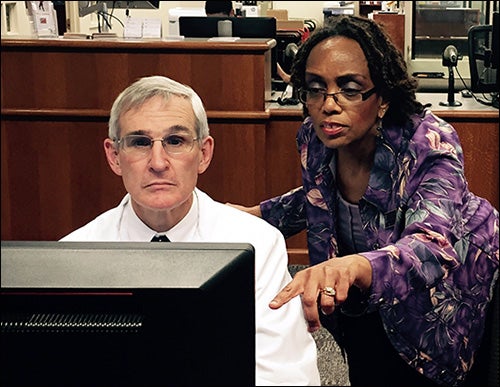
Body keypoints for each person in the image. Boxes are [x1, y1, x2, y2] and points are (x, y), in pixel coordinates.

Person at [227, 15, 499, 387]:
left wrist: (350, 267)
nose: (328, 105)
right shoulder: (314, 136)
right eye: (315, 88)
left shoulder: (428, 142)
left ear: (383, 97)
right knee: (368, 364)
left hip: (443, 297)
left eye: (350, 89)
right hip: (360, 293)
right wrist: (253, 217)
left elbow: (431, 247)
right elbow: (318, 196)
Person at [59, 75, 321, 386]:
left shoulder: (257, 244)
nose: (158, 162)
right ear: (114, 156)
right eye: (140, 142)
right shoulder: (74, 255)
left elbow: (284, 373)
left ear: (204, 153)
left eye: (175, 141)